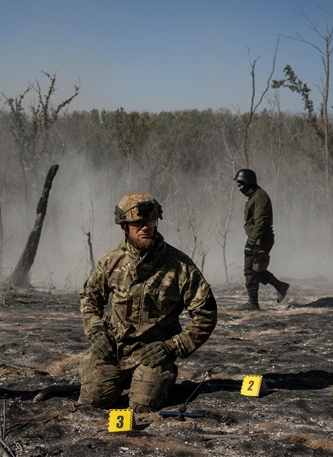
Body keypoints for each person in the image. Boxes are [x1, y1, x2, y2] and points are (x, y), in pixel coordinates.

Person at [78, 192, 217, 413]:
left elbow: (206, 314)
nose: (146, 227)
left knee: (143, 406)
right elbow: (89, 298)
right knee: (93, 403)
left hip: (154, 352)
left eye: (150, 222)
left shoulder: (180, 266)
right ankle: (123, 378)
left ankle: (154, 378)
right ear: (124, 227)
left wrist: (172, 347)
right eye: (138, 224)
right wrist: (96, 331)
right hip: (116, 348)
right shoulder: (111, 262)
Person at [235, 169, 290, 310]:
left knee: (250, 270)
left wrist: (251, 243)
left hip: (260, 238)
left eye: (240, 184)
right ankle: (280, 286)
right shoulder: (252, 196)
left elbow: (260, 223)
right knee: (255, 269)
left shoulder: (260, 197)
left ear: (248, 183)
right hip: (257, 237)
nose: (238, 187)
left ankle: (253, 303)